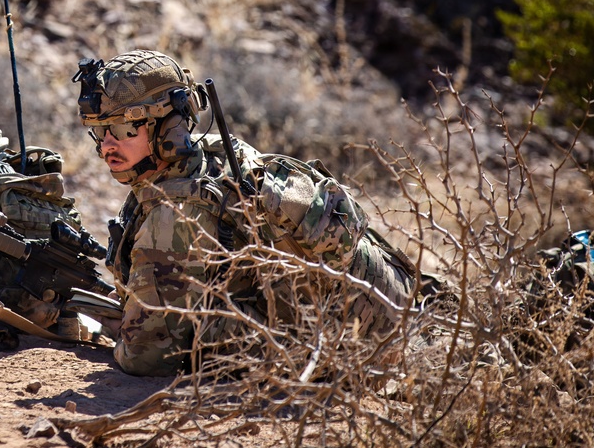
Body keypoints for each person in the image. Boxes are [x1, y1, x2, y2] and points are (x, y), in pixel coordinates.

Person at [72, 50, 421, 376]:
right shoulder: (213, 154)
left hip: (366, 350)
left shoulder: (178, 211)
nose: (105, 146)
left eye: (121, 129)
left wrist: (119, 328)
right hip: (394, 292)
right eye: (99, 131)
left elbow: (144, 357)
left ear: (169, 128)